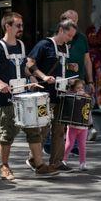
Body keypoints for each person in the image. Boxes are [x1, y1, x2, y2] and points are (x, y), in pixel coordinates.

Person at [0, 12, 58, 180]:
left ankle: (39, 165)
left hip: (24, 97)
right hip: (6, 99)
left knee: (33, 130)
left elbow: (23, 68)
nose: (21, 29)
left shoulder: (22, 46)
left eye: (22, 25)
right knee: (7, 133)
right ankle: (4, 166)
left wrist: (31, 78)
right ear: (7, 26)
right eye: (18, 26)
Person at [27, 19, 78, 172]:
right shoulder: (44, 44)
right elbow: (30, 63)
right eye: (69, 35)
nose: (70, 39)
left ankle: (57, 161)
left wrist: (70, 66)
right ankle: (33, 159)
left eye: (72, 36)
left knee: (59, 129)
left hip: (61, 93)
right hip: (45, 93)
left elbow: (56, 65)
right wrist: (43, 77)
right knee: (43, 128)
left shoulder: (65, 47)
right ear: (61, 30)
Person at [60, 10, 98, 141]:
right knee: (65, 108)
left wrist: (91, 81)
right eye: (71, 21)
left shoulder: (82, 38)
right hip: (62, 79)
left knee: (82, 104)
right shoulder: (58, 37)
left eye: (76, 21)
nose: (74, 24)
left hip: (79, 79)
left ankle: (87, 129)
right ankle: (64, 136)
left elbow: (87, 60)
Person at [62, 79, 90, 171]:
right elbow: (67, 98)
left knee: (82, 145)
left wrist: (87, 96)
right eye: (78, 88)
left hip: (83, 127)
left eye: (82, 88)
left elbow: (91, 103)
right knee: (69, 144)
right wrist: (75, 95)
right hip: (73, 126)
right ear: (73, 89)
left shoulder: (86, 97)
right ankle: (64, 160)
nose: (81, 89)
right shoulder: (71, 96)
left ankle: (82, 163)